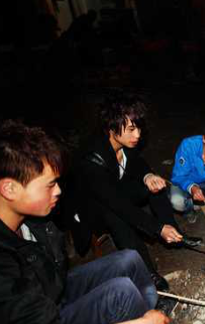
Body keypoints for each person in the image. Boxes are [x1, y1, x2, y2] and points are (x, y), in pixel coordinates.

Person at [0, 121, 195, 324]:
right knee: (120, 294)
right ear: (9, 188)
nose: (58, 192)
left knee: (129, 259)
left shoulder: (27, 218)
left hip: (49, 294)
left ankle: (147, 309)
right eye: (49, 185)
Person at [70, 92, 194, 291]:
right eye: (131, 129)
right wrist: (157, 228)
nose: (137, 135)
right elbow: (119, 206)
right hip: (92, 210)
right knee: (117, 217)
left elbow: (137, 162)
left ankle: (174, 235)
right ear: (112, 127)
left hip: (116, 193)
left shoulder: (124, 142)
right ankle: (147, 272)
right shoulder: (91, 160)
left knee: (156, 184)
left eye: (139, 128)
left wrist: (148, 176)